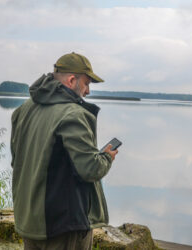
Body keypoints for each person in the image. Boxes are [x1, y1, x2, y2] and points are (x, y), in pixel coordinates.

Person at [10, 52, 118, 250]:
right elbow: (91, 169)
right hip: (62, 226)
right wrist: (106, 158)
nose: (88, 91)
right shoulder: (73, 114)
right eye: (87, 83)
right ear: (71, 80)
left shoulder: (23, 110)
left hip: (30, 221)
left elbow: (17, 160)